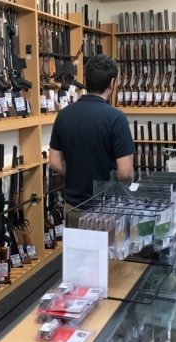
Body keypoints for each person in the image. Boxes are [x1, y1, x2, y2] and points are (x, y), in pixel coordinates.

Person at [48, 54, 135, 223]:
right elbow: (124, 172)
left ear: (86, 80)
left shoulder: (64, 115)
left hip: (73, 207)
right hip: (107, 210)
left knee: (76, 250)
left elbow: (54, 162)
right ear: (112, 82)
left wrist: (75, 173)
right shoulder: (116, 118)